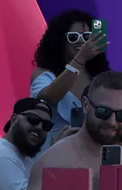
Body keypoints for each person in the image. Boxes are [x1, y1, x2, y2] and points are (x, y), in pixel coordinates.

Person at [30, 10, 110, 150]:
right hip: (52, 150)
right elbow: (48, 98)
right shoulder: (45, 73)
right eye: (73, 37)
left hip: (90, 151)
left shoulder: (98, 76)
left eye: (86, 36)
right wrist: (79, 59)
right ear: (59, 41)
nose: (81, 41)